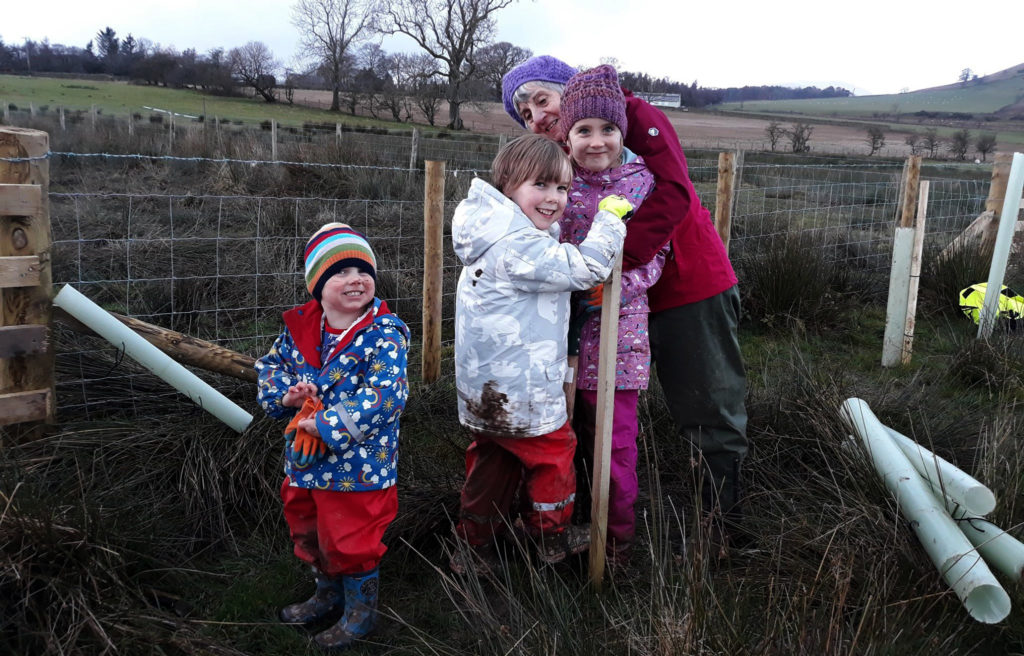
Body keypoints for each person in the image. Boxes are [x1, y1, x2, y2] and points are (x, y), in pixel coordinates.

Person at [502, 56, 749, 543]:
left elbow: (675, 191)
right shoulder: (562, 157)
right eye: (524, 112)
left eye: (540, 98)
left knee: (708, 404)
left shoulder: (631, 117)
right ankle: (585, 522)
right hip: (607, 302)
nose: (536, 116)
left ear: (566, 88)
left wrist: (614, 267)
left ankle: (724, 531)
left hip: (685, 283)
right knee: (594, 418)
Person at [450, 133, 631, 573]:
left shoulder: (491, 231)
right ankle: (550, 533)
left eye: (562, 188)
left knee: (492, 462)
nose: (554, 199)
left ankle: (475, 546)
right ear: (509, 184)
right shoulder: (519, 245)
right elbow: (588, 267)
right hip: (520, 393)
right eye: (541, 185)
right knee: (554, 452)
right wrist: (609, 221)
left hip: (484, 391)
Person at [255, 223, 410, 650]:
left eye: (363, 270)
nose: (355, 279)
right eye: (340, 272)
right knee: (308, 528)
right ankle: (327, 594)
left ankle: (360, 611)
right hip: (305, 463)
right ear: (318, 285)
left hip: (360, 468)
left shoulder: (384, 334)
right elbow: (270, 367)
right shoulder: (302, 329)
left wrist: (326, 425)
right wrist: (284, 396)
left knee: (352, 538)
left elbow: (386, 395)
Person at [556, 64, 662, 566]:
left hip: (620, 336)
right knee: (560, 442)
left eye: (608, 129)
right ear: (567, 135)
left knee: (615, 447)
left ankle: (616, 541)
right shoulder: (556, 181)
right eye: (583, 130)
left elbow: (654, 256)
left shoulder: (641, 185)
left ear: (622, 132)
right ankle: (558, 530)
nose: (596, 141)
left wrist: (615, 287)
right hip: (559, 337)